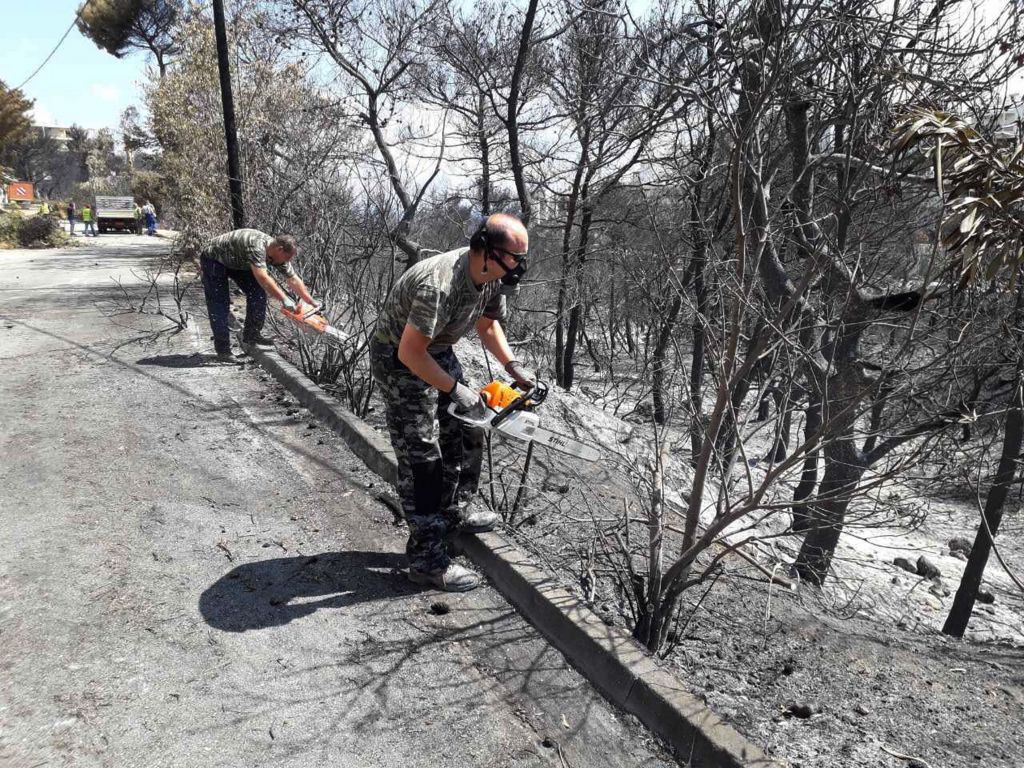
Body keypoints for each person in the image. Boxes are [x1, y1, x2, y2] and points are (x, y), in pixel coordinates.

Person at [370, 213, 535, 592]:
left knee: (467, 429)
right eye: (514, 257)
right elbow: (410, 353)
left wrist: (512, 365)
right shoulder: (439, 284)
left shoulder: (491, 278)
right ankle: (426, 563)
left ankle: (455, 512)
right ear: (486, 251)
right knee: (422, 459)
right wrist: (455, 389)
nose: (518, 267)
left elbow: (488, 325)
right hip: (398, 358)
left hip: (437, 350)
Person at [199, 228, 317, 360]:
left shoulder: (276, 254)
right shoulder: (257, 247)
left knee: (258, 293)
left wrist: (310, 301)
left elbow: (293, 279)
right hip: (214, 259)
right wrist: (284, 299)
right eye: (287, 257)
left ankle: (252, 335)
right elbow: (263, 277)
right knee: (219, 303)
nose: (287, 261)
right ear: (280, 249)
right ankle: (223, 350)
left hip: (238, 261)